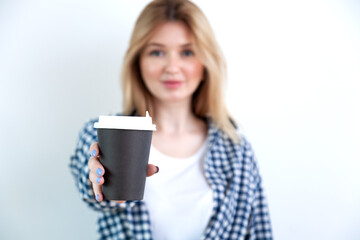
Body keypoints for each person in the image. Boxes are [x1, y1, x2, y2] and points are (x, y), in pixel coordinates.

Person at [70, 0, 273, 239]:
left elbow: (258, 232)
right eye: (157, 52)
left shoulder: (236, 150)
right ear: (138, 62)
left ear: (205, 62)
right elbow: (95, 192)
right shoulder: (101, 135)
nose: (172, 67)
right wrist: (103, 185)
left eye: (187, 52)